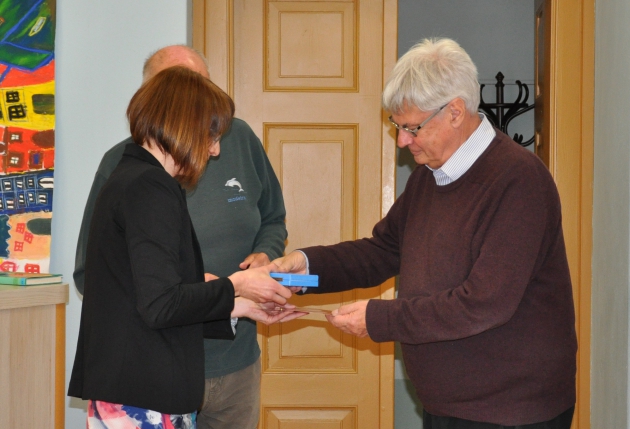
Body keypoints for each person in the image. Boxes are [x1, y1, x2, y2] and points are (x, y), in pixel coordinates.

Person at [271, 38, 577, 429]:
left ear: (455, 112)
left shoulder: (519, 181)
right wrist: (306, 268)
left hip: (510, 410)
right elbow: (382, 251)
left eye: (412, 127)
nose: (402, 140)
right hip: (448, 404)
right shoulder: (429, 177)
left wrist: (379, 319)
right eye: (397, 126)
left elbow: (484, 304)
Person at [68, 66, 298, 428]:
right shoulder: (150, 188)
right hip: (144, 391)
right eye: (211, 136)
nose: (216, 149)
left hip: (138, 387)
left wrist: (240, 307)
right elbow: (162, 304)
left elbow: (146, 292)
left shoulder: (134, 176)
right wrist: (237, 285)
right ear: (183, 125)